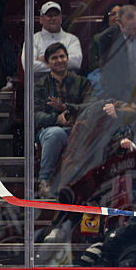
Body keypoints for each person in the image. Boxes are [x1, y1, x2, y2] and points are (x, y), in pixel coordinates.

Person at [35, 42, 93, 198]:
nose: (59, 60)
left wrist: (67, 109)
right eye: (54, 58)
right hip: (49, 130)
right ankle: (44, 182)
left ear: (68, 59)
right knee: (56, 134)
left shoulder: (82, 82)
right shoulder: (40, 86)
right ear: (47, 63)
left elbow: (90, 106)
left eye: (62, 56)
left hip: (78, 127)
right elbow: (36, 116)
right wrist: (57, 118)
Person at [25, 1, 83, 76]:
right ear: (41, 19)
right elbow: (29, 67)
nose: (53, 18)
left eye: (56, 15)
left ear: (61, 18)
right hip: (39, 85)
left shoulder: (72, 39)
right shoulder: (32, 40)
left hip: (67, 85)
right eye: (49, 15)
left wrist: (45, 59)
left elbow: (76, 63)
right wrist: (62, 64)